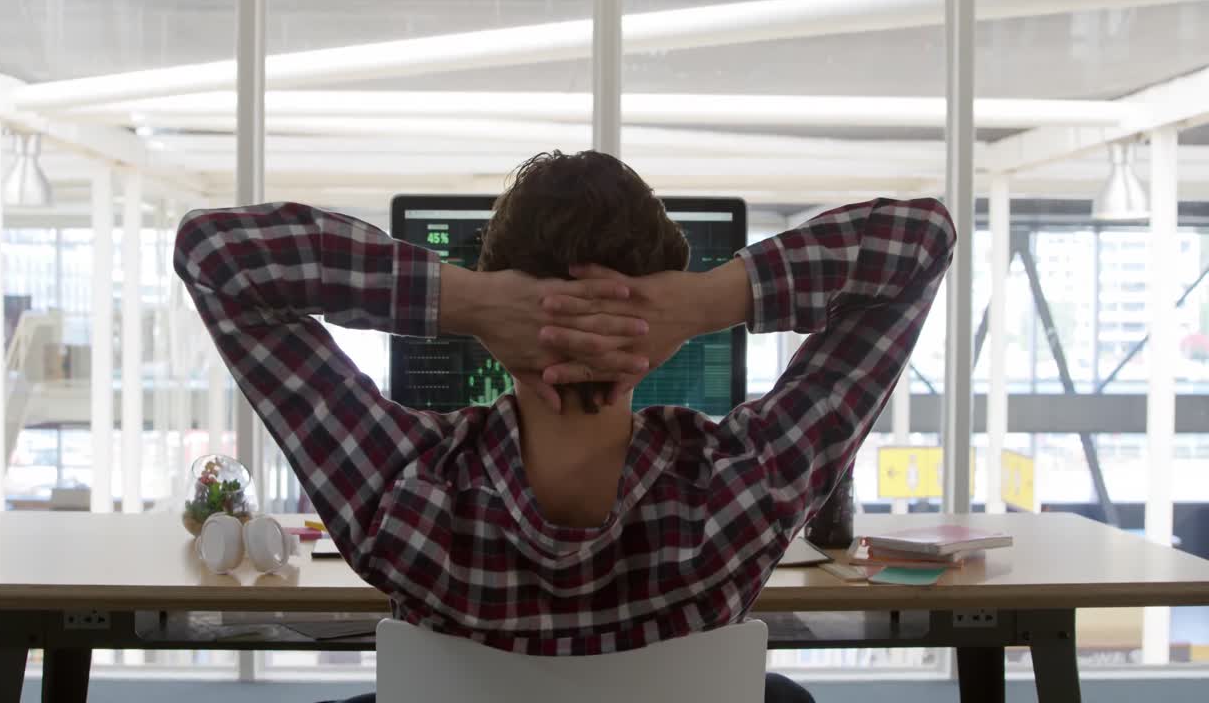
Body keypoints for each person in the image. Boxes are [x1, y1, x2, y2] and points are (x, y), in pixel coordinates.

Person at [174, 150, 955, 702]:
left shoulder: (396, 496)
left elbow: (214, 256)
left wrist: (466, 302)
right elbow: (921, 243)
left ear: (502, 290)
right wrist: (711, 300)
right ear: (660, 311)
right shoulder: (748, 492)